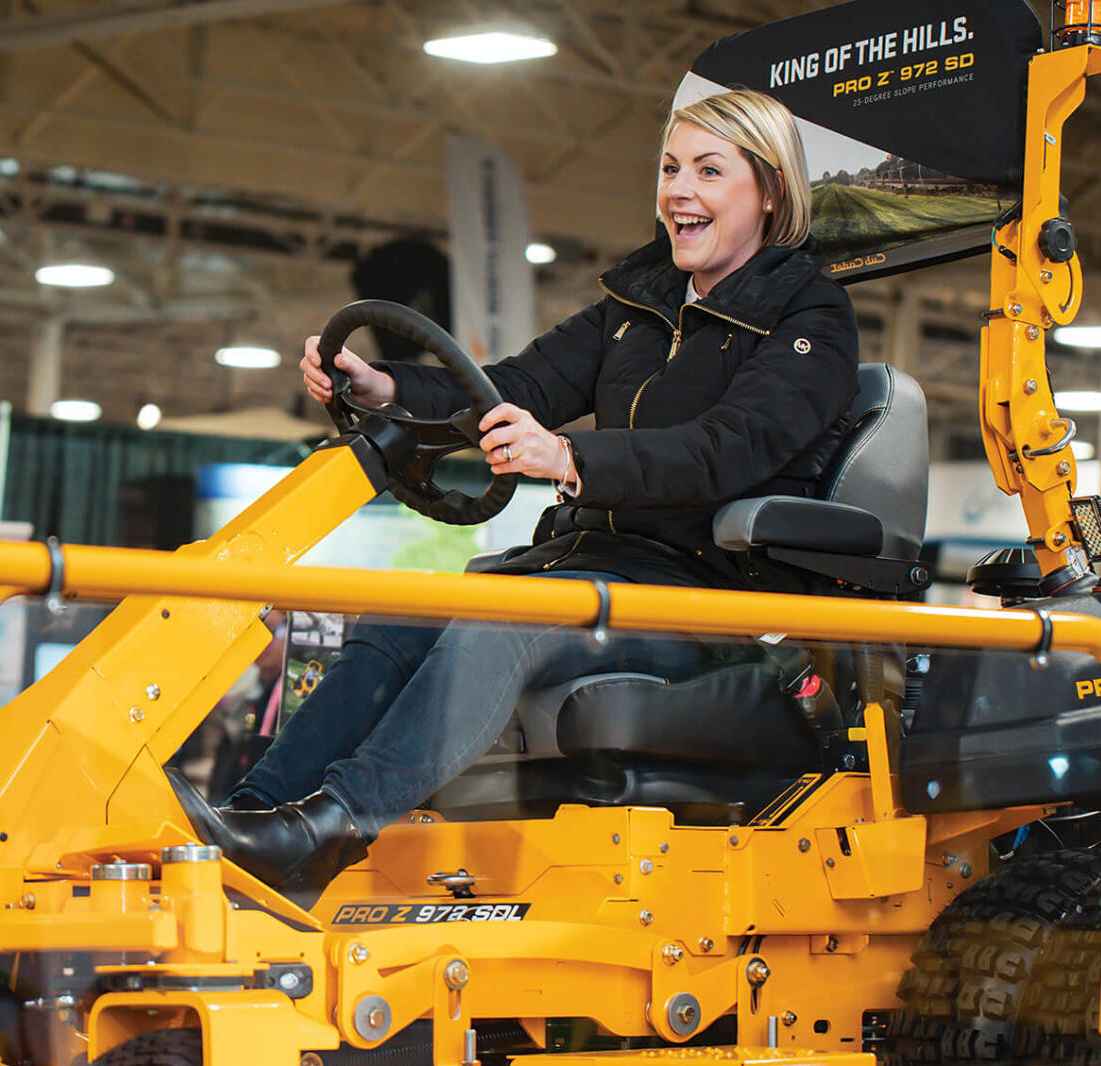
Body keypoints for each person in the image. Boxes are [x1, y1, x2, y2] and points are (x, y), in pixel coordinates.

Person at [170, 89, 861, 906]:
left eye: (710, 171)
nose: (680, 192)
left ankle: (333, 828)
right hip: (590, 571)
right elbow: (511, 385)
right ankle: (258, 816)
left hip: (707, 594)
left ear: (771, 190)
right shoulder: (636, 308)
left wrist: (569, 455)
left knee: (505, 620)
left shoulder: (810, 314)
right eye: (671, 168)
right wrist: (385, 383)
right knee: (401, 609)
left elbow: (733, 448)